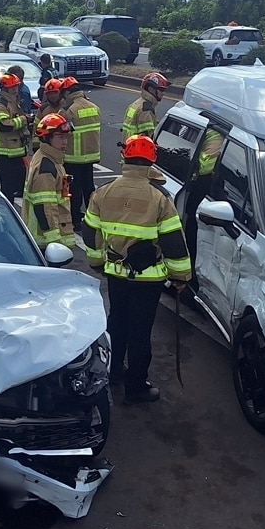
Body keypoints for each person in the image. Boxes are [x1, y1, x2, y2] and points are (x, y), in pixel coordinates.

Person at [83, 135, 192, 403]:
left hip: (116, 274)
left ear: (125, 159)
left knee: (117, 323)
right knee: (140, 332)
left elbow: (90, 231)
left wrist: (97, 262)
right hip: (148, 280)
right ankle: (136, 387)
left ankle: (112, 374)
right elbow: (173, 241)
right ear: (152, 161)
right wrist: (181, 277)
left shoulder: (103, 192)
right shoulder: (159, 197)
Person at [21, 113, 76, 250]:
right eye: (60, 137)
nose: (65, 142)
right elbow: (45, 207)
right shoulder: (46, 168)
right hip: (45, 242)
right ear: (47, 138)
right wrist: (55, 243)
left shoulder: (50, 158)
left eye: (66, 137)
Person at [183, 127, 226, 291]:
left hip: (199, 187)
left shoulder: (209, 129)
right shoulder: (218, 136)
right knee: (191, 230)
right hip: (202, 187)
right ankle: (190, 278)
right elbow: (205, 167)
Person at [60, 76, 102, 230]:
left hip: (73, 157)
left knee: (74, 190)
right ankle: (93, 218)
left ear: (67, 92)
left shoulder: (69, 110)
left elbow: (60, 129)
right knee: (89, 188)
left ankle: (75, 220)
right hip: (91, 156)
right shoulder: (94, 107)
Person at [0, 73, 32, 204]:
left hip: (17, 150)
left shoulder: (14, 102)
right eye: (12, 87)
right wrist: (24, 119)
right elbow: (4, 126)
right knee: (7, 187)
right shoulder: (1, 105)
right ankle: (7, 209)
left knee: (19, 183)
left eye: (16, 86)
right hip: (5, 151)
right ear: (4, 89)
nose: (15, 89)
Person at [122, 72, 169, 141]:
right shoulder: (146, 110)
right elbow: (149, 138)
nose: (163, 93)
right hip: (138, 147)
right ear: (151, 89)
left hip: (128, 145)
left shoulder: (136, 104)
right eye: (161, 90)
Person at [32, 77, 64, 153]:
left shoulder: (67, 107)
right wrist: (36, 147)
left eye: (55, 92)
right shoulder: (43, 109)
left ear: (61, 92)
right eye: (50, 93)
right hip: (48, 149)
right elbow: (37, 129)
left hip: (65, 147)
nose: (52, 95)